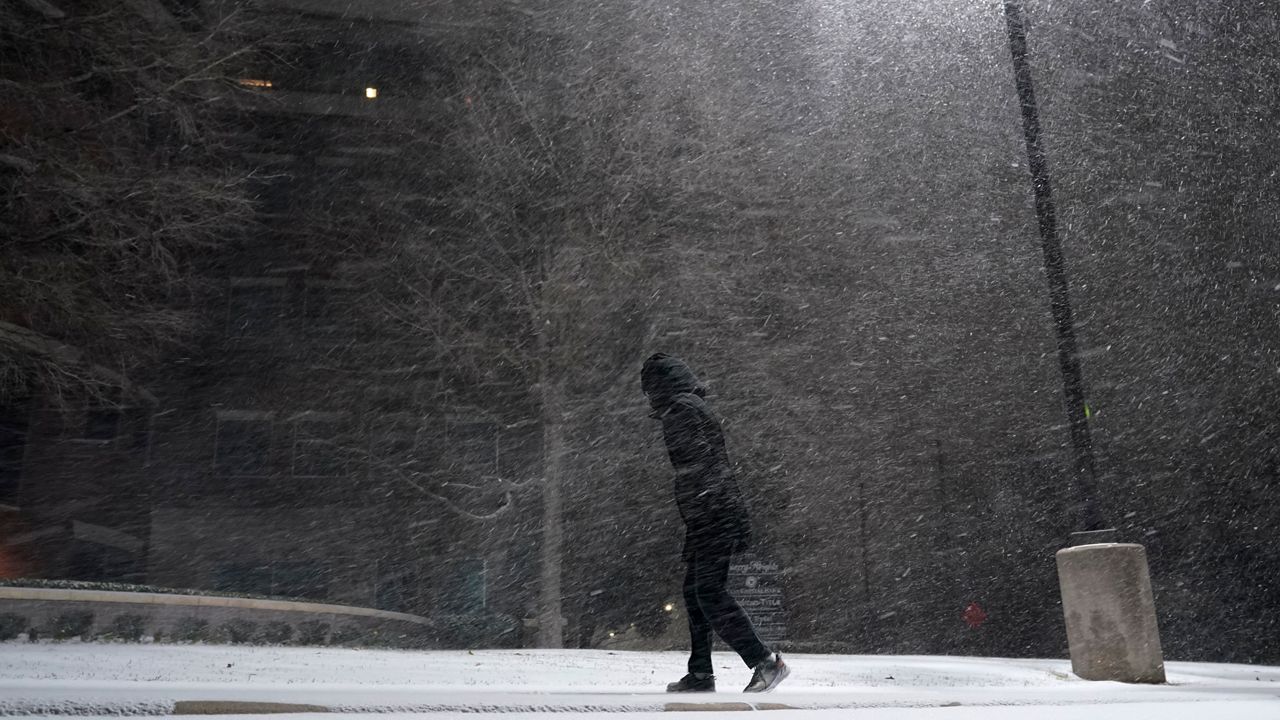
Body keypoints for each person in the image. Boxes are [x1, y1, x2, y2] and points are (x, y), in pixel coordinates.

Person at [640, 353, 789, 694]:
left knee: (708, 592)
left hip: (711, 513)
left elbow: (698, 465)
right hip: (712, 511)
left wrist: (704, 506)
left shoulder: (680, 411)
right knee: (694, 592)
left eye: (649, 390)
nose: (649, 398)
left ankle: (765, 662)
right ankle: (700, 674)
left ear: (660, 386)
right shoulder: (691, 406)